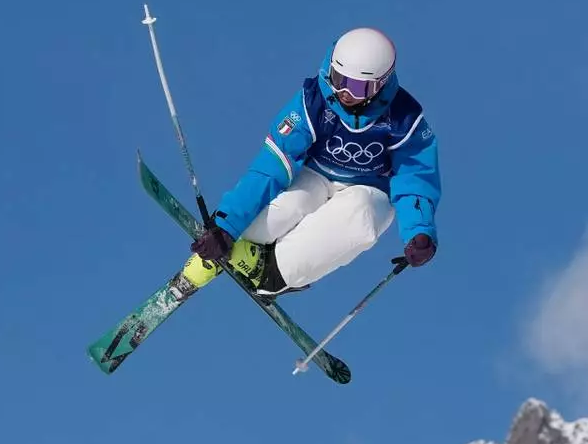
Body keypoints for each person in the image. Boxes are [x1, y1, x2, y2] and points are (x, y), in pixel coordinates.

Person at [180, 26, 441, 299]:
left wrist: (419, 231)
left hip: (369, 189)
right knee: (289, 205)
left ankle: (275, 272)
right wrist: (226, 225)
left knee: (360, 217)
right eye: (339, 78)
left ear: (380, 85)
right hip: (315, 173)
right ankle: (224, 252)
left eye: (356, 86)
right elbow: (273, 164)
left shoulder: (404, 119)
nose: (343, 92)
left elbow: (416, 178)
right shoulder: (313, 100)